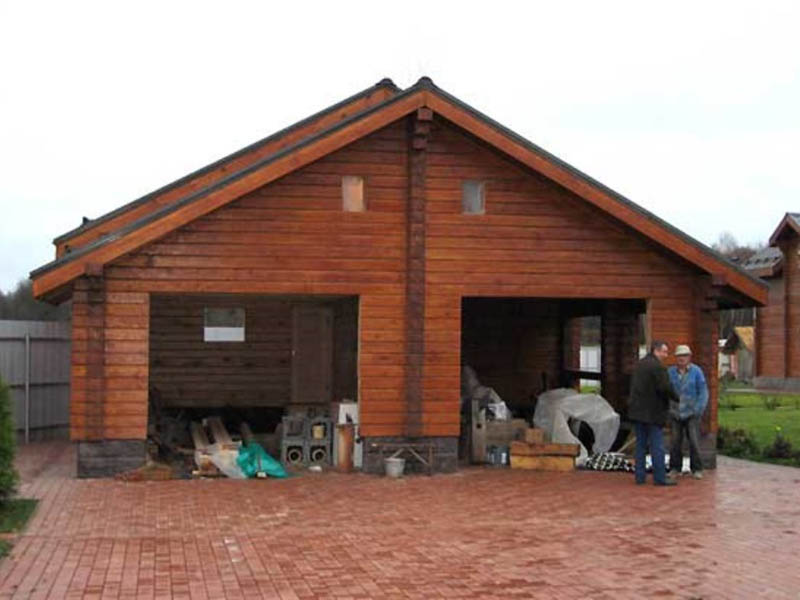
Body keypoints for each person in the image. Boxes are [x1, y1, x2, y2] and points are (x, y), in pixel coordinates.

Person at [628, 340, 680, 486]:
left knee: (640, 446)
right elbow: (665, 388)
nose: (666, 355)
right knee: (657, 446)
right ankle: (660, 478)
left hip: (637, 412)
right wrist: (678, 398)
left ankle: (640, 477)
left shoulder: (639, 364)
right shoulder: (658, 367)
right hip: (653, 413)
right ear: (656, 351)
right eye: (664, 351)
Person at [668, 345, 708, 480]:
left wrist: (698, 409)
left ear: (689, 357)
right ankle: (675, 468)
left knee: (694, 441)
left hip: (692, 413)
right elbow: (665, 391)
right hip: (675, 412)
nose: (682, 358)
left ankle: (697, 468)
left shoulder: (697, 372)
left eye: (684, 356)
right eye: (679, 356)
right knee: (675, 441)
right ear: (676, 358)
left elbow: (703, 392)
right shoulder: (670, 372)